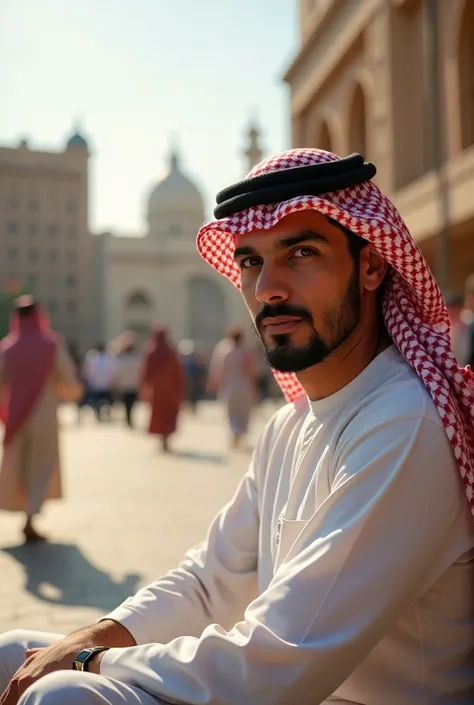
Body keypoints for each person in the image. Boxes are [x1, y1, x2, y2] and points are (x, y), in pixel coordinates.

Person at [1, 149, 474, 704]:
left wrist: (89, 662)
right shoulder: (288, 427)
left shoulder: (404, 422)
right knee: (14, 655)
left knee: (62, 696)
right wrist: (97, 638)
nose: (268, 288)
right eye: (250, 261)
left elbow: (277, 661)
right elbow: (211, 582)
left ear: (371, 266)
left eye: (301, 252)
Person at [0, 297, 82, 542]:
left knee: (20, 465)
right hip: (43, 414)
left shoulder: (7, 347)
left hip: (16, 416)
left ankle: (27, 517)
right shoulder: (51, 344)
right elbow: (66, 377)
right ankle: (30, 518)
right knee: (40, 465)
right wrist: (72, 392)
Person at [208, 326, 257, 448]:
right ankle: (238, 435)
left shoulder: (223, 349)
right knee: (243, 412)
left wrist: (214, 384)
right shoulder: (245, 350)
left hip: (229, 386)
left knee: (231, 412)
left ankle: (235, 434)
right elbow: (250, 371)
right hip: (244, 385)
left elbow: (217, 369)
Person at [139, 326, 184, 452]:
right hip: (170, 389)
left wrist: (145, 386)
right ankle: (166, 436)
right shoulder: (170, 351)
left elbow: (146, 372)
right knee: (168, 413)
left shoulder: (151, 351)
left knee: (159, 414)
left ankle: (162, 436)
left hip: (157, 390)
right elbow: (178, 373)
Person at [112, 333, 142, 428]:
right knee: (129, 403)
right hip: (129, 384)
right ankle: (128, 418)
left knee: (129, 403)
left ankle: (128, 418)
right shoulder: (133, 358)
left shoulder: (128, 358)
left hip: (129, 385)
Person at [83, 344, 117, 422]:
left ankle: (98, 414)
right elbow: (113, 372)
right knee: (107, 401)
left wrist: (90, 381)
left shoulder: (93, 359)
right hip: (106, 384)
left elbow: (89, 372)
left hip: (96, 384)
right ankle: (106, 414)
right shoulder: (109, 359)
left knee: (97, 401)